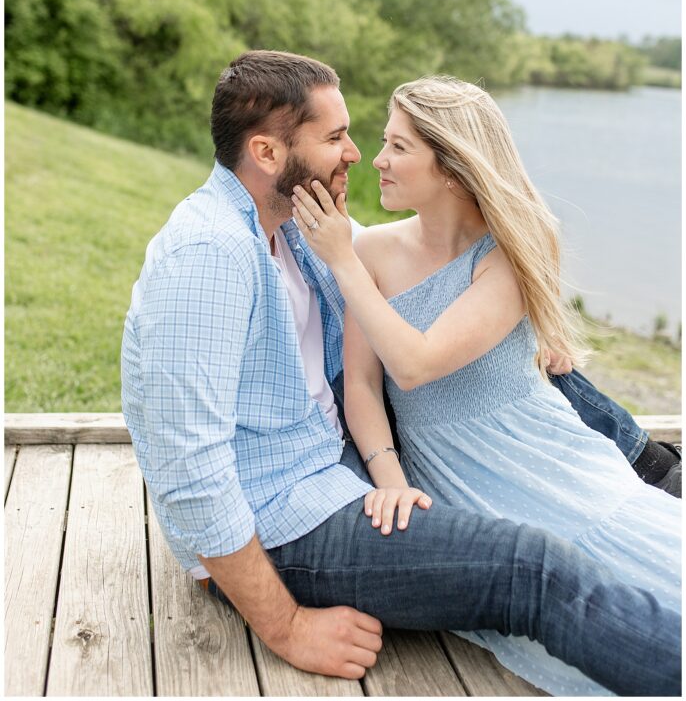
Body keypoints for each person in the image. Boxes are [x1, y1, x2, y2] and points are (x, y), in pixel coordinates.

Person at [121, 51, 681, 696]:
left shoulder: (296, 225)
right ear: (268, 153)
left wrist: (536, 327)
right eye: (335, 138)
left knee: (535, 388)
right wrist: (287, 626)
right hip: (282, 519)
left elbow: (419, 270)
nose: (357, 154)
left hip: (336, 468)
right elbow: (186, 468)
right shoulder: (208, 257)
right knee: (529, 565)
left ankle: (648, 465)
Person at [290, 73, 681, 695]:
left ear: (451, 167)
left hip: (542, 458)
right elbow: (363, 388)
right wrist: (392, 483)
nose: (378, 160)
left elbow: (416, 364)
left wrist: (341, 257)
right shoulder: (374, 254)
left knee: (653, 573)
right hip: (451, 473)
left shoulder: (511, 248)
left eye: (398, 147)